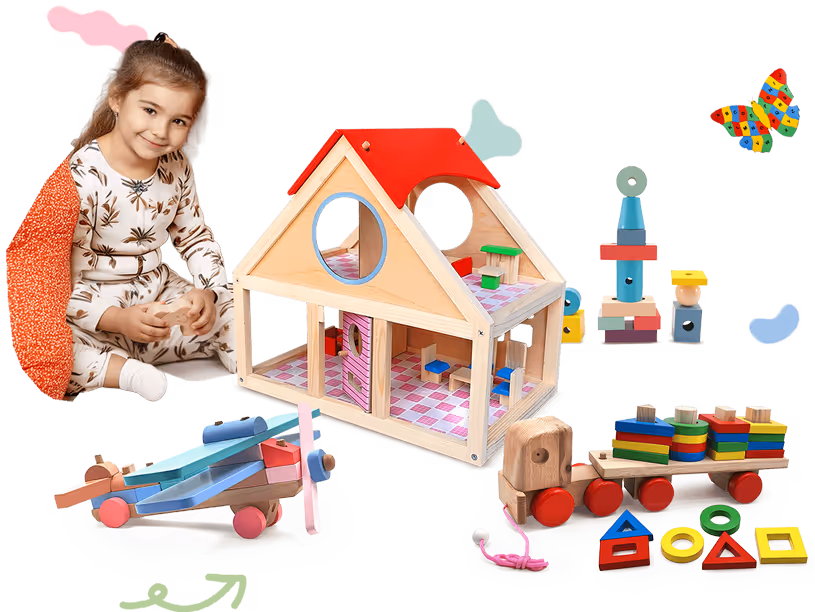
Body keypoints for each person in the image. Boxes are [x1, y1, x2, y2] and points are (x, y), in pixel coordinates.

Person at [63, 33, 236, 401]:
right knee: (56, 354)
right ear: (117, 97)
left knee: (232, 308)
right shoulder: (80, 176)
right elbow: (58, 274)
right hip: (97, 315)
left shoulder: (176, 167)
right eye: (150, 110)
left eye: (178, 120)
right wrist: (116, 319)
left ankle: (253, 368)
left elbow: (194, 237)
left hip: (159, 303)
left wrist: (207, 292)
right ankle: (122, 371)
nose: (160, 131)